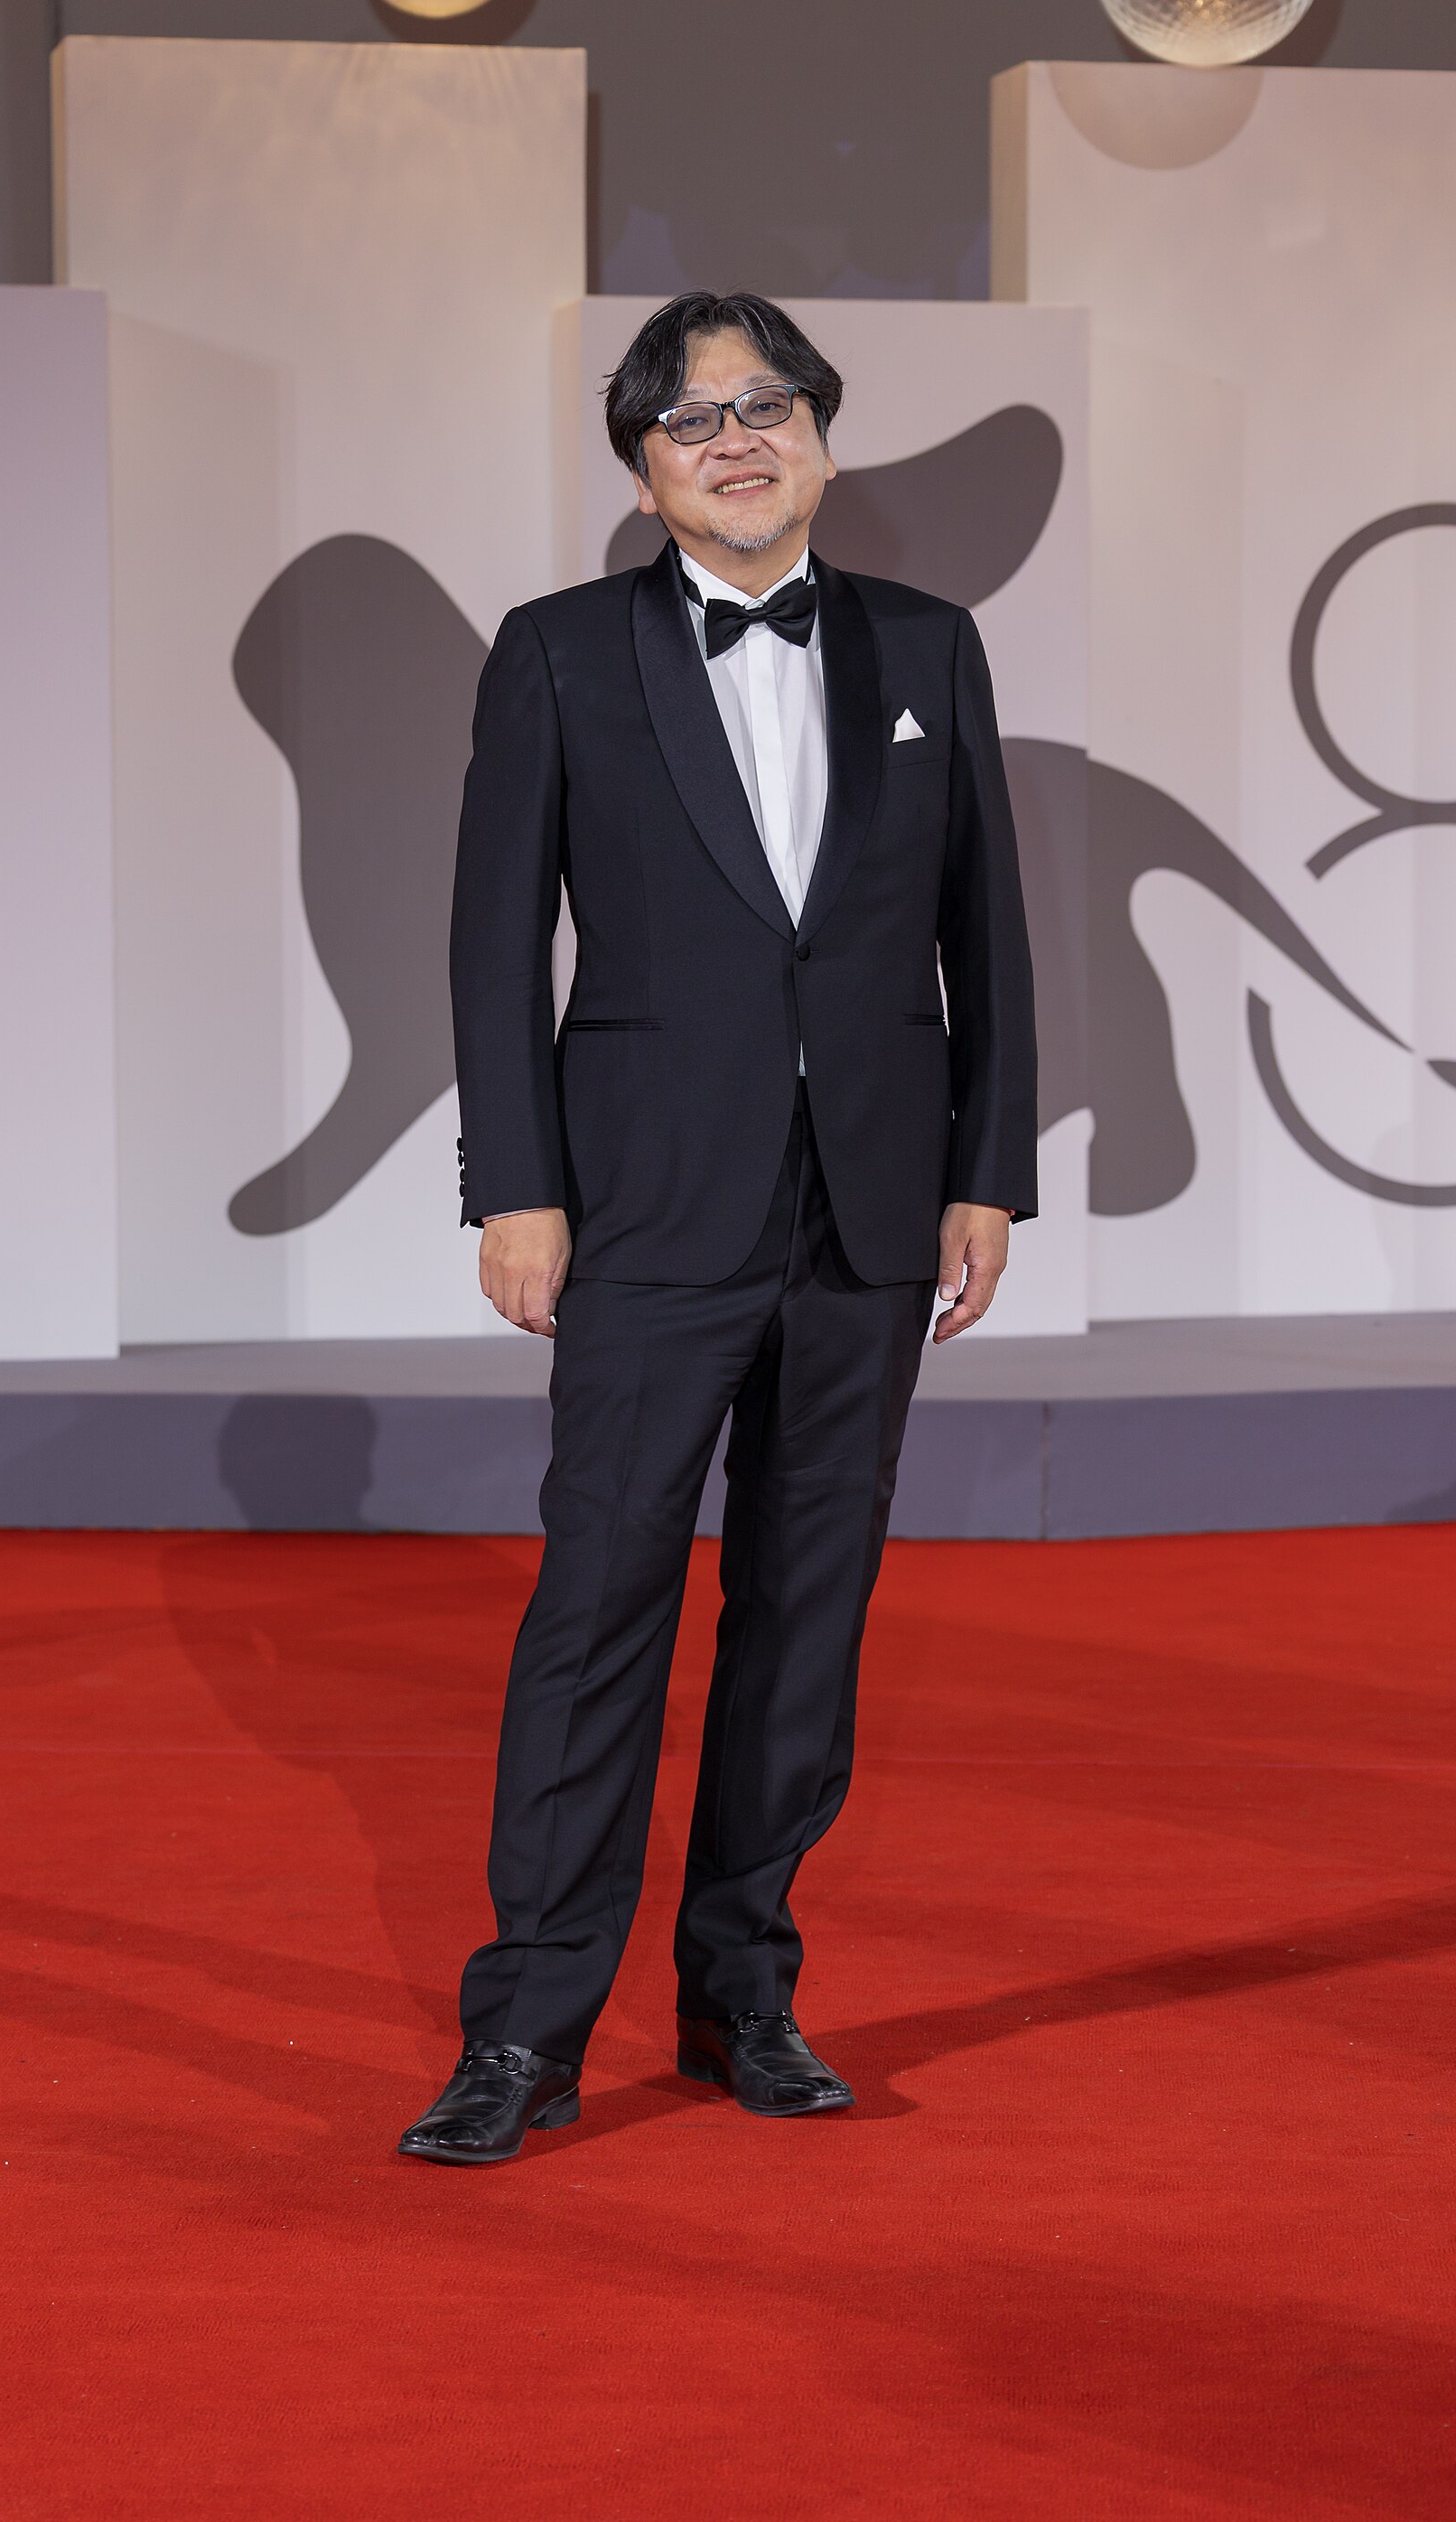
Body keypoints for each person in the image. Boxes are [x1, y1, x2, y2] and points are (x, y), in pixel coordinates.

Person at [400, 293, 1037, 2165]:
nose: (735, 440)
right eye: (691, 420)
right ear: (643, 471)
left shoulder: (929, 644)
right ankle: (526, 2029)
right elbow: (493, 942)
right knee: (600, 1605)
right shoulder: (557, 653)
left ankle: (744, 1993)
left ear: (824, 437)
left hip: (869, 1210)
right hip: (643, 1213)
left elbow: (986, 929)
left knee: (806, 1614)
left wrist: (984, 1169)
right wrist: (514, 1187)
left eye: (767, 406)